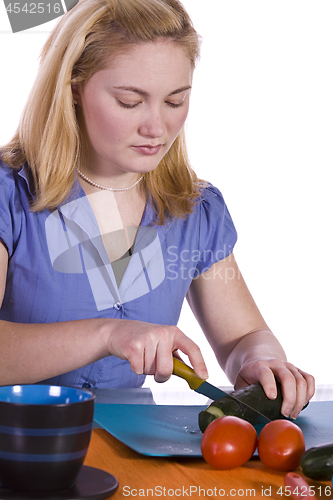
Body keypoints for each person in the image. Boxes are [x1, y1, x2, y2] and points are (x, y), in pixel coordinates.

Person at [0, 0, 314, 419]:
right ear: (73, 86)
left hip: (130, 457)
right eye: (131, 101)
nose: (157, 127)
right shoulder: (10, 193)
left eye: (175, 100)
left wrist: (261, 361)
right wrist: (108, 334)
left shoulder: (194, 210)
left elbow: (244, 337)